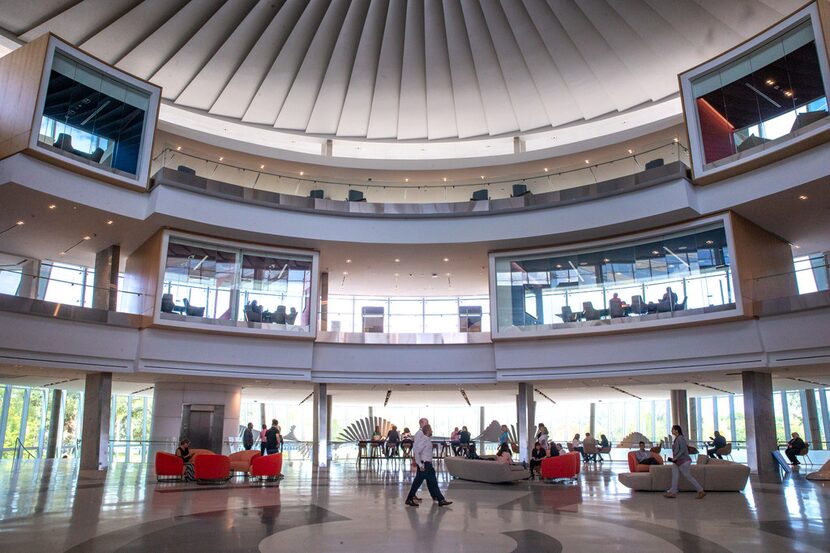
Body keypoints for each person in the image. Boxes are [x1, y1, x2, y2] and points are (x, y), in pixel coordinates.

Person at [405, 421, 452, 507]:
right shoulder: (424, 440)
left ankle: (440, 499)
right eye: (431, 430)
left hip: (427, 465)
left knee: (432, 482)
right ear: (427, 431)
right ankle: (409, 499)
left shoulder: (426, 440)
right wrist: (420, 464)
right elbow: (417, 451)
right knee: (418, 483)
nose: (432, 431)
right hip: (425, 465)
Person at [665, 425, 705, 499]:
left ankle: (701, 490)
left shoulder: (680, 438)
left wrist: (676, 457)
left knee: (687, 476)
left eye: (673, 429)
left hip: (683, 461)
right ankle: (673, 491)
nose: (671, 431)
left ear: (677, 430)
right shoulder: (677, 439)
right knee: (675, 475)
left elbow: (683, 450)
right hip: (677, 461)